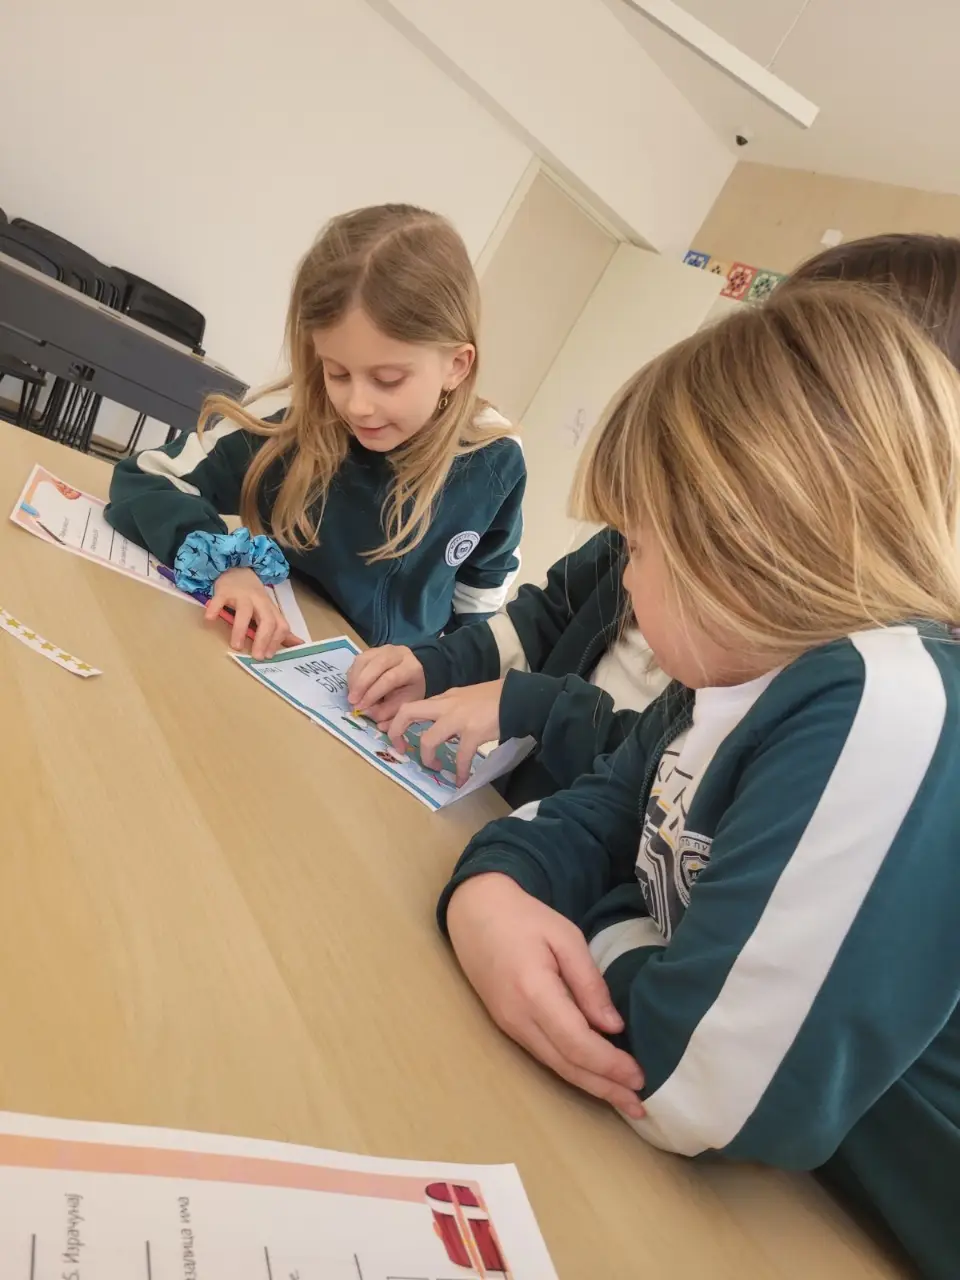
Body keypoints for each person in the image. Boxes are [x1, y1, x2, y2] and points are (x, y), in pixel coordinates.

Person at [436, 285, 960, 1279]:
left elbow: (699, 1082)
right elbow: (596, 810)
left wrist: (601, 924)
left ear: (746, 546)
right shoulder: (723, 683)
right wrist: (494, 893)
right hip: (782, 1196)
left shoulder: (891, 706)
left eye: (637, 543)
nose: (625, 579)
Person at [347, 231, 960, 804]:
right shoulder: (669, 510)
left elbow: (673, 773)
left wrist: (534, 705)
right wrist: (443, 664)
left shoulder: (836, 674)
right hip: (527, 805)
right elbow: (556, 608)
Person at [106, 205, 525, 658]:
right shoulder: (293, 417)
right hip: (279, 649)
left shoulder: (496, 458)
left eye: (387, 380)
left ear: (457, 366)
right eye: (337, 372)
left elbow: (482, 595)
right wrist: (227, 567)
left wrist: (448, 668)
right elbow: (149, 477)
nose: (357, 406)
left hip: (394, 681)